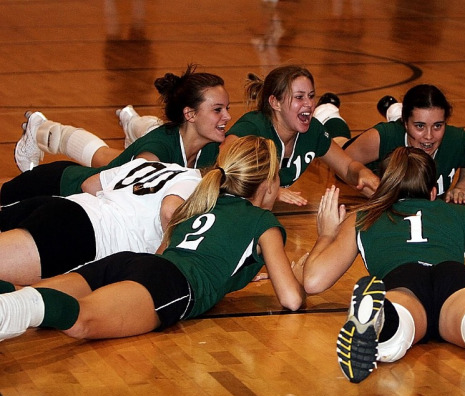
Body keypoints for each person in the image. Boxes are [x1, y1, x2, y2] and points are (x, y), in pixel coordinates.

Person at [0, 135, 305, 343]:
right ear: (266, 184)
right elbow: (291, 299)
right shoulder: (264, 222)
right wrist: (324, 241)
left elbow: (172, 247)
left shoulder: (203, 198)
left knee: (27, 293)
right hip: (167, 282)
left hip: (133, 262)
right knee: (81, 320)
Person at [303, 146, 465, 383]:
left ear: (382, 189)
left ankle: (382, 321)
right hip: (455, 276)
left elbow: (313, 281)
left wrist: (326, 234)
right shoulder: (457, 213)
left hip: (403, 280)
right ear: (433, 192)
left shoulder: (363, 217)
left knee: (399, 331)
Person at [3, 65, 229, 206]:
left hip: (77, 196)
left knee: (111, 160)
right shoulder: (154, 154)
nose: (227, 116)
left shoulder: (208, 147)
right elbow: (98, 191)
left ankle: (134, 125)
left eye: (226, 108)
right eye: (218, 110)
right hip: (57, 188)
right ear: (189, 114)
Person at [0, 159, 201, 285]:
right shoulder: (196, 185)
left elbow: (90, 184)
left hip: (62, 206)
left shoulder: (161, 166)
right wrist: (157, 268)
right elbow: (169, 212)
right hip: (82, 235)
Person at [220, 65, 379, 207]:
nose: (309, 104)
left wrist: (361, 172)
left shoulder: (312, 130)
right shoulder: (253, 128)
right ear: (275, 103)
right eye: (299, 97)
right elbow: (221, 169)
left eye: (311, 96)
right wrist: (271, 188)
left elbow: (347, 167)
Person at [316, 84, 465, 205]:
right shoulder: (382, 138)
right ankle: (327, 112)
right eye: (420, 126)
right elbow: (342, 168)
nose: (429, 136)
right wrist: (378, 194)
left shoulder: (457, 140)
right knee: (339, 142)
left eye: (438, 125)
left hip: (405, 129)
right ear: (405, 124)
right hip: (362, 147)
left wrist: (462, 187)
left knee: (419, 133)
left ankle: (396, 110)